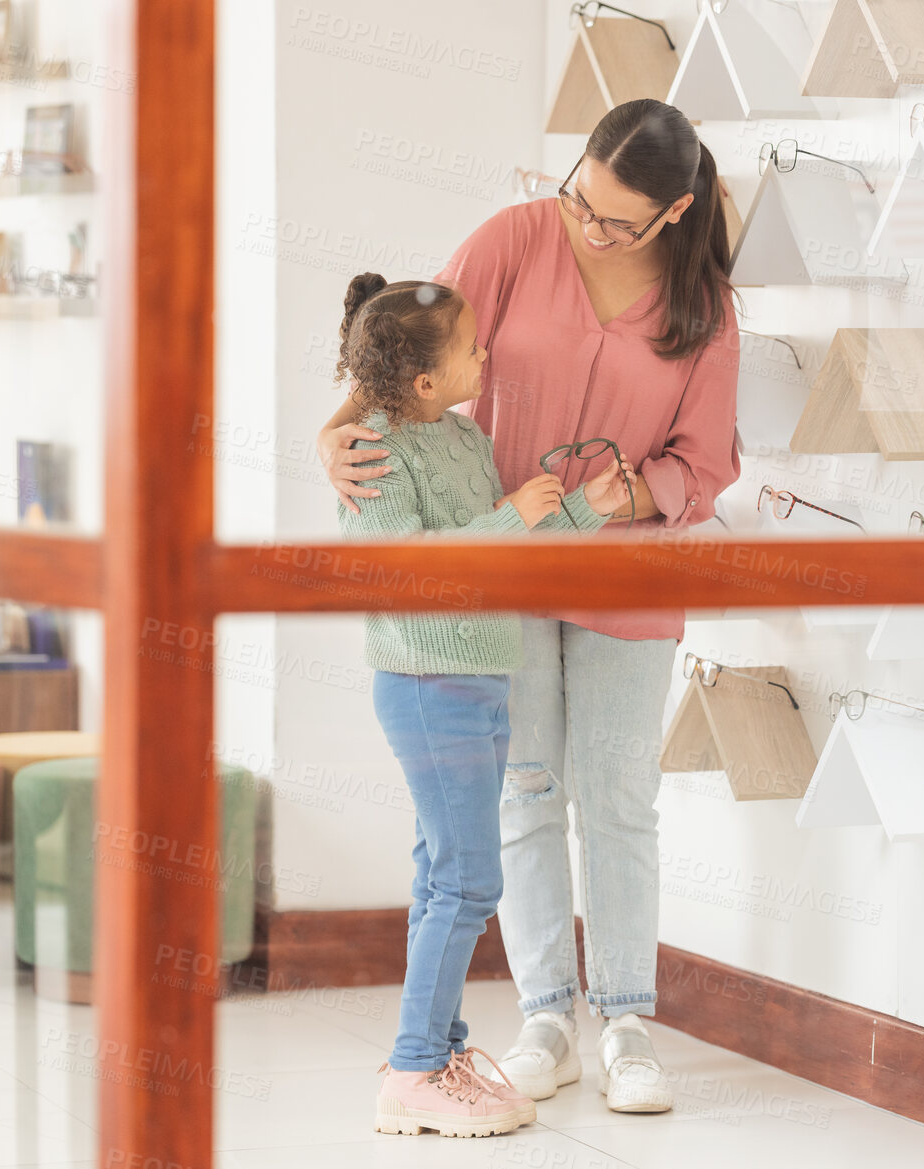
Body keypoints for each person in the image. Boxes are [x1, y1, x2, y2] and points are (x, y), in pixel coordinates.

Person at [321, 99, 740, 1114]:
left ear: (675, 212)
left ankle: (626, 1019)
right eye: (581, 202)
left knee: (620, 798)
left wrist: (615, 502)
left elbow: (707, 462)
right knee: (528, 790)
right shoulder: (515, 239)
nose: (588, 230)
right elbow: (402, 349)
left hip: (624, 571)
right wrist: (335, 432)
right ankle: (547, 1012)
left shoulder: (707, 308)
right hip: (500, 568)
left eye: (616, 221)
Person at [333, 272, 635, 1138]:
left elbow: (510, 548)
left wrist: (586, 510)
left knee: (443, 873)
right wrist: (509, 517)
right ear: (423, 380)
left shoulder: (463, 438)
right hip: (427, 685)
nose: (485, 354)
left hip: (483, 677)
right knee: (470, 876)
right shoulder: (374, 453)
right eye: (471, 348)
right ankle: (417, 1067)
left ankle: (434, 1049)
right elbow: (405, 567)